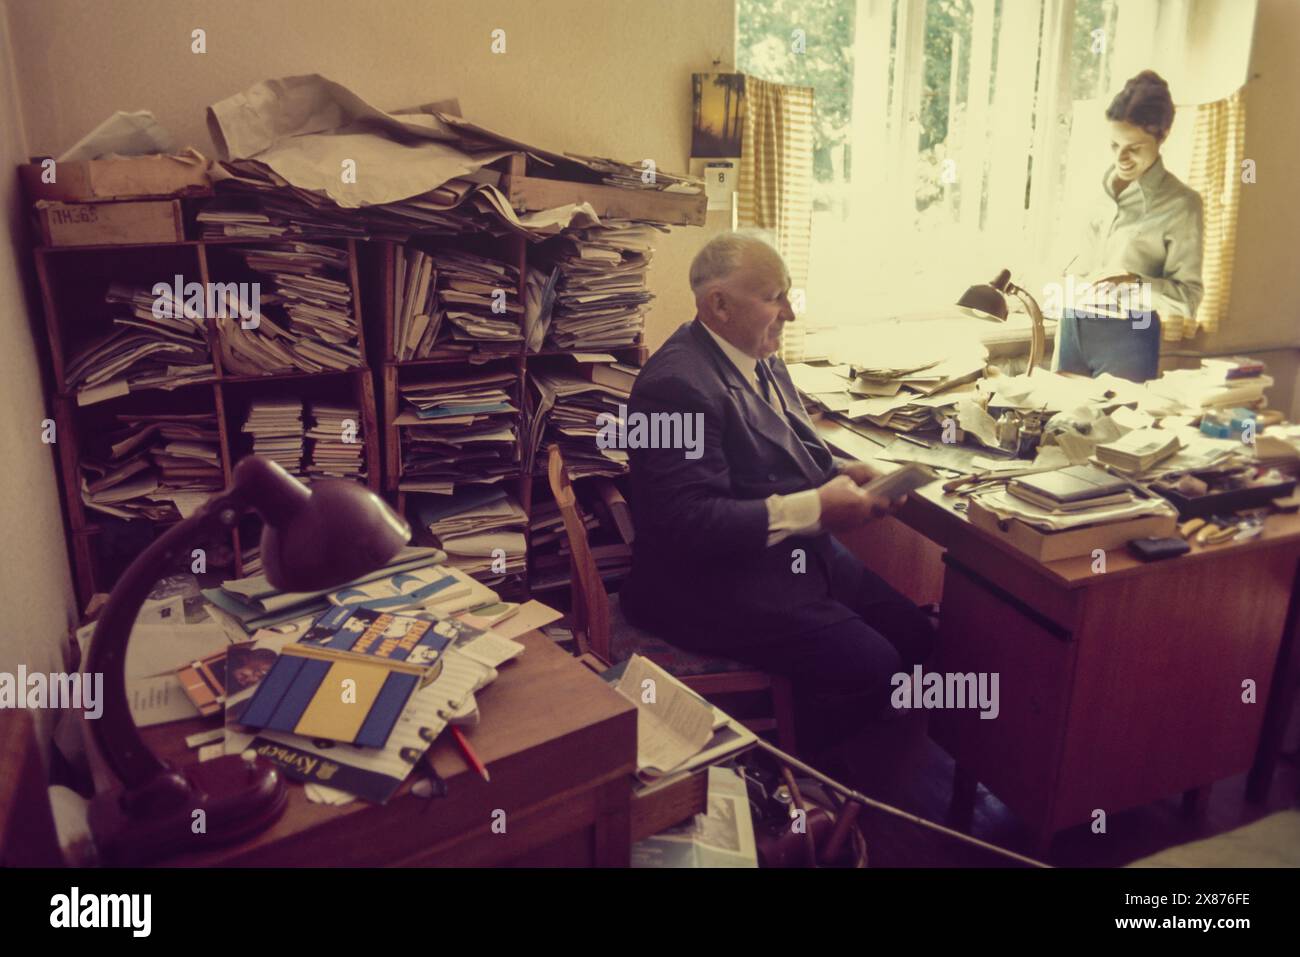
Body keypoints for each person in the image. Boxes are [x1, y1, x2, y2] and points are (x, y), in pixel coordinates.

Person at [619, 232, 936, 765]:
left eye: (789, 295)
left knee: (915, 635)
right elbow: (685, 522)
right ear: (717, 304)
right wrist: (815, 509)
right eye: (773, 297)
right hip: (707, 582)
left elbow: (781, 452)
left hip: (791, 555)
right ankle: (786, 778)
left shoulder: (757, 354)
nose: (788, 312)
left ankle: (832, 736)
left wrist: (842, 471)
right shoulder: (673, 387)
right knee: (876, 667)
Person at [1054, 70, 1204, 382]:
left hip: (1130, 334)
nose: (1121, 157)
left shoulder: (1181, 204)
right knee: (1055, 425)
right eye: (1114, 145)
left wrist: (1133, 283)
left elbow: (1188, 298)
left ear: (1161, 137)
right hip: (1072, 326)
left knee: (1117, 428)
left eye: (1134, 147)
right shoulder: (1091, 188)